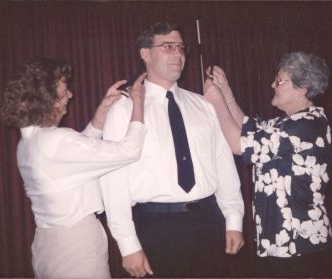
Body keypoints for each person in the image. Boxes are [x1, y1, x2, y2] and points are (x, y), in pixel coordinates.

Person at [100, 22, 244, 278]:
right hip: (156, 228)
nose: (178, 54)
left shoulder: (204, 106)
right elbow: (114, 183)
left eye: (180, 48)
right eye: (168, 47)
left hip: (209, 222)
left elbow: (224, 165)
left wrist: (233, 219)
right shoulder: (123, 110)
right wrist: (127, 244)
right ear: (145, 54)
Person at [1, 56, 147, 278]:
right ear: (46, 98)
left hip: (48, 244)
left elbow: (76, 158)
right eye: (64, 89)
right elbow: (130, 151)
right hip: (75, 246)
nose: (70, 95)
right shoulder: (57, 141)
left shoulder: (30, 140)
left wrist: (101, 112)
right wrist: (138, 103)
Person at [204, 51, 332, 278]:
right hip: (282, 243)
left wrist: (216, 102)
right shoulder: (288, 123)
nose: (273, 84)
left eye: (280, 80)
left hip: (298, 245)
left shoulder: (306, 125)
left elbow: (238, 144)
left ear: (302, 89)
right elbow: (245, 127)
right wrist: (224, 91)